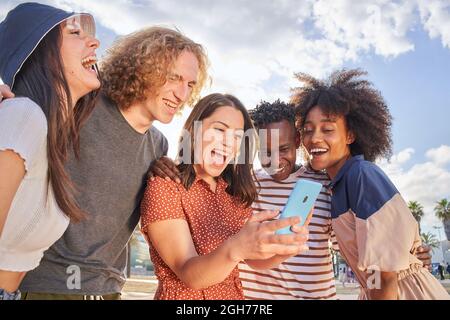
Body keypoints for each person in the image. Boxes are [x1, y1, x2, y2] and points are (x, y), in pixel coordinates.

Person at [1, 25, 209, 299]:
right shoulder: (82, 104)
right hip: (45, 285)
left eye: (190, 84)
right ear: (144, 67)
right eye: (174, 78)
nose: (182, 94)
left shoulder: (159, 145)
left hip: (108, 290)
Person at [293, 68, 449, 300]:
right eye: (307, 130)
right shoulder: (336, 183)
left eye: (327, 129)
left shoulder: (361, 176)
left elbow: (384, 276)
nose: (314, 138)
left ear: (350, 136)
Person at [140, 93, 310, 299]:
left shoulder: (232, 193)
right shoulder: (165, 187)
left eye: (237, 136)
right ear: (194, 130)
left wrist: (286, 249)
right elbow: (189, 272)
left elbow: (250, 258)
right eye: (220, 129)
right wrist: (235, 247)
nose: (229, 143)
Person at [0, 3, 100, 300]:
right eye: (74, 33)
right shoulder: (23, 115)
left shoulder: (51, 136)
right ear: (39, 53)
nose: (94, 42)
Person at [238, 100, 339, 300]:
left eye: (283, 149)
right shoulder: (246, 186)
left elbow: (350, 244)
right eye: (266, 152)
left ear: (297, 140)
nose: (275, 161)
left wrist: (412, 252)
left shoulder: (325, 184)